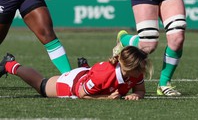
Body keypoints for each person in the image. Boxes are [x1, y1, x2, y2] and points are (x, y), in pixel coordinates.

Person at [0, 46, 152, 100]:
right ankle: (10, 64)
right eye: (140, 67)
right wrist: (106, 98)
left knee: (92, 76)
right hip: (73, 84)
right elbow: (81, 93)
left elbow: (140, 90)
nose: (143, 70)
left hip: (88, 75)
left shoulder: (135, 73)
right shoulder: (104, 75)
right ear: (128, 66)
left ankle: (84, 66)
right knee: (42, 85)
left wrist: (136, 95)